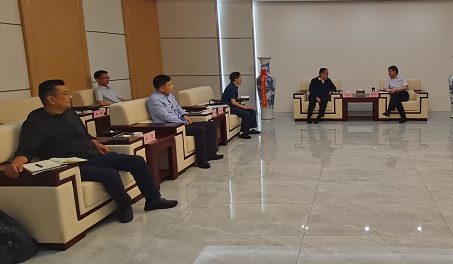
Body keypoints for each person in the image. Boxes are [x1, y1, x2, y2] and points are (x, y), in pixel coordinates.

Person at [4, 79, 178, 223]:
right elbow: (27, 149)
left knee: (137, 161)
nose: (70, 97)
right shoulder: (35, 122)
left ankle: (153, 199)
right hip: (71, 165)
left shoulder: (69, 113)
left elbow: (83, 133)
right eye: (65, 94)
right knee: (110, 174)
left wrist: (94, 142)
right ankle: (125, 205)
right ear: (51, 99)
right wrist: (18, 162)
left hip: (92, 154)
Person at [146, 74, 223, 169]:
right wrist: (182, 121)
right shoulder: (154, 100)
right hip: (171, 126)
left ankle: (211, 154)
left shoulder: (169, 96)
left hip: (180, 122)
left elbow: (178, 107)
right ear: (161, 88)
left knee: (211, 124)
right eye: (169, 84)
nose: (172, 86)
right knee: (200, 130)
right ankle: (201, 161)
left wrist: (184, 115)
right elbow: (166, 117)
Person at [221, 72, 261, 139]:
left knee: (251, 111)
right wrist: (244, 107)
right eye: (240, 77)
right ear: (236, 79)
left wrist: (239, 99)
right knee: (246, 114)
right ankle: (242, 132)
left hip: (232, 105)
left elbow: (233, 99)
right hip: (229, 107)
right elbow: (233, 102)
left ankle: (249, 129)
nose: (241, 79)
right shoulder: (231, 88)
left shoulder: (235, 86)